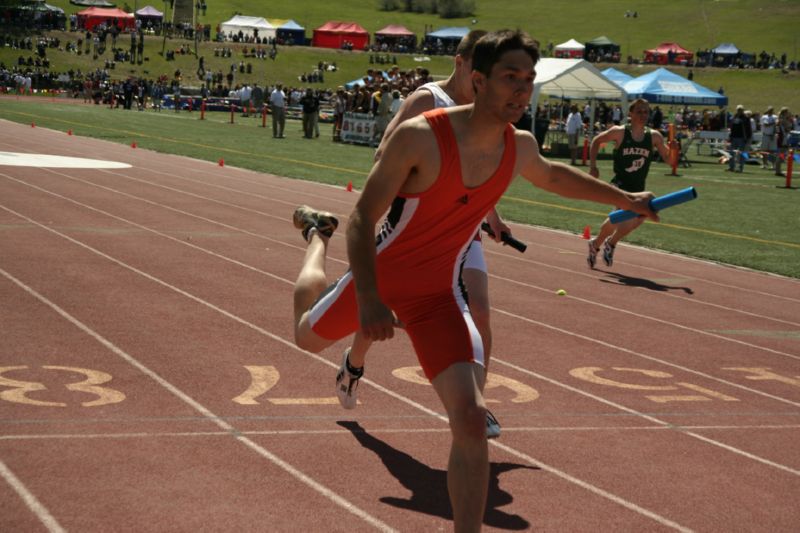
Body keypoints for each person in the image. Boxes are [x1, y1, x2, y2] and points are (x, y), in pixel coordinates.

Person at [291, 29, 658, 532]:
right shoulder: (421, 135)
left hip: (435, 297)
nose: (522, 90)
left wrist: (627, 199)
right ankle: (315, 238)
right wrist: (371, 296)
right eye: (510, 78)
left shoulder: (519, 145)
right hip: (382, 276)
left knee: (469, 418)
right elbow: (362, 218)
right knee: (305, 336)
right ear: (477, 80)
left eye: (529, 79)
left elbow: (553, 176)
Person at [338, 29, 508, 440]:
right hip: (416, 229)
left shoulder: (485, 114)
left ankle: (475, 408)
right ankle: (353, 364)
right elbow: (385, 153)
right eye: (479, 72)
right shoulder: (428, 100)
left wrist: (493, 215)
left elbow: (478, 177)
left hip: (463, 233)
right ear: (461, 63)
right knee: (381, 313)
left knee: (481, 312)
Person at [585, 98, 671, 269]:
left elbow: (669, 160)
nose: (643, 115)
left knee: (632, 217)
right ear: (630, 114)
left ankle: (599, 243)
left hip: (638, 188)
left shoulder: (654, 136)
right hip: (619, 184)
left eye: (646, 111)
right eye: (639, 111)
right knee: (626, 214)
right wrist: (593, 166)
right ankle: (609, 243)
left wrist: (674, 149)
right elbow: (596, 141)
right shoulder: (620, 132)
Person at [727, 105, 752, 172]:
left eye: (740, 110)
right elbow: (731, 127)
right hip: (734, 137)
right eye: (738, 110)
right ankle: (731, 167)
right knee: (731, 153)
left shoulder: (746, 118)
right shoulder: (734, 117)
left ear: (742, 110)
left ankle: (740, 168)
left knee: (742, 154)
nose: (739, 111)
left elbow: (748, 129)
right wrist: (730, 136)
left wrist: (747, 137)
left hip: (742, 138)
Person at [775, 106, 793, 177]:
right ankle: (778, 171)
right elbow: (788, 127)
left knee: (781, 155)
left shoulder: (780, 119)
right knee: (780, 154)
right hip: (782, 138)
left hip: (781, 138)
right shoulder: (782, 119)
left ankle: (778, 170)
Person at [759, 106, 778, 170]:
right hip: (765, 135)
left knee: (772, 151)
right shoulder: (764, 117)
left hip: (772, 135)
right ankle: (764, 164)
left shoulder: (775, 117)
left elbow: (776, 126)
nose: (770, 111)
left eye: (771, 110)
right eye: (769, 110)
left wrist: (774, 134)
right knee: (764, 151)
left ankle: (773, 165)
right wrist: (773, 123)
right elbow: (765, 125)